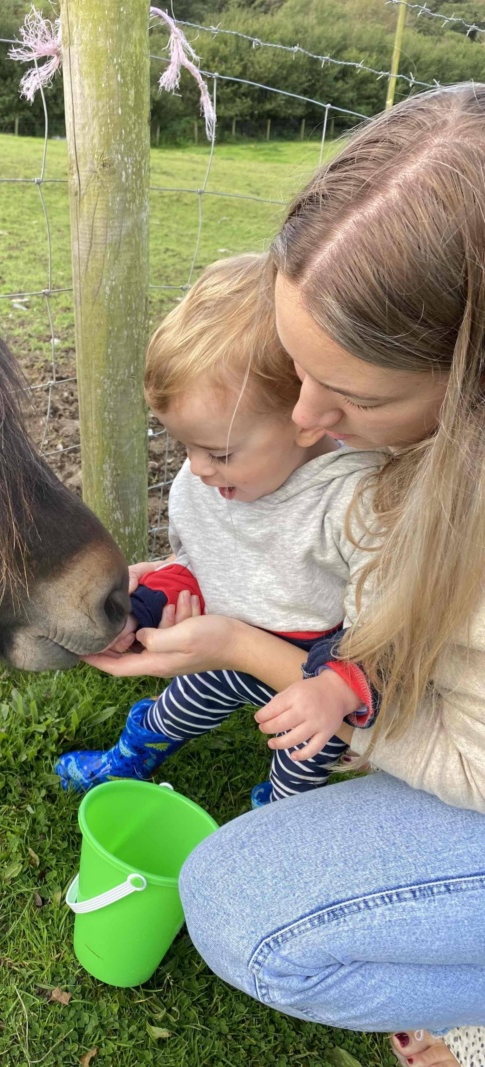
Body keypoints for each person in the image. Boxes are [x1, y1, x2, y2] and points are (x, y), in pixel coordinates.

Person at [82, 83, 485, 1067]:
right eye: (292, 375)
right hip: (290, 656)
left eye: (345, 395)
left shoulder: (362, 507)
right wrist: (188, 593)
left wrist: (259, 655)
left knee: (253, 893)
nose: (303, 425)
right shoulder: (340, 471)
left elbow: (439, 729)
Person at [55, 253, 383, 804]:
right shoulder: (210, 480)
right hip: (221, 648)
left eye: (218, 452)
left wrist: (334, 689)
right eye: (184, 446)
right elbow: (196, 563)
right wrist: (140, 612)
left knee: (303, 757)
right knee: (172, 710)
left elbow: (387, 628)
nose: (198, 468)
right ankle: (127, 759)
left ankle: (273, 819)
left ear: (305, 419)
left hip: (313, 669)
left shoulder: (357, 504)